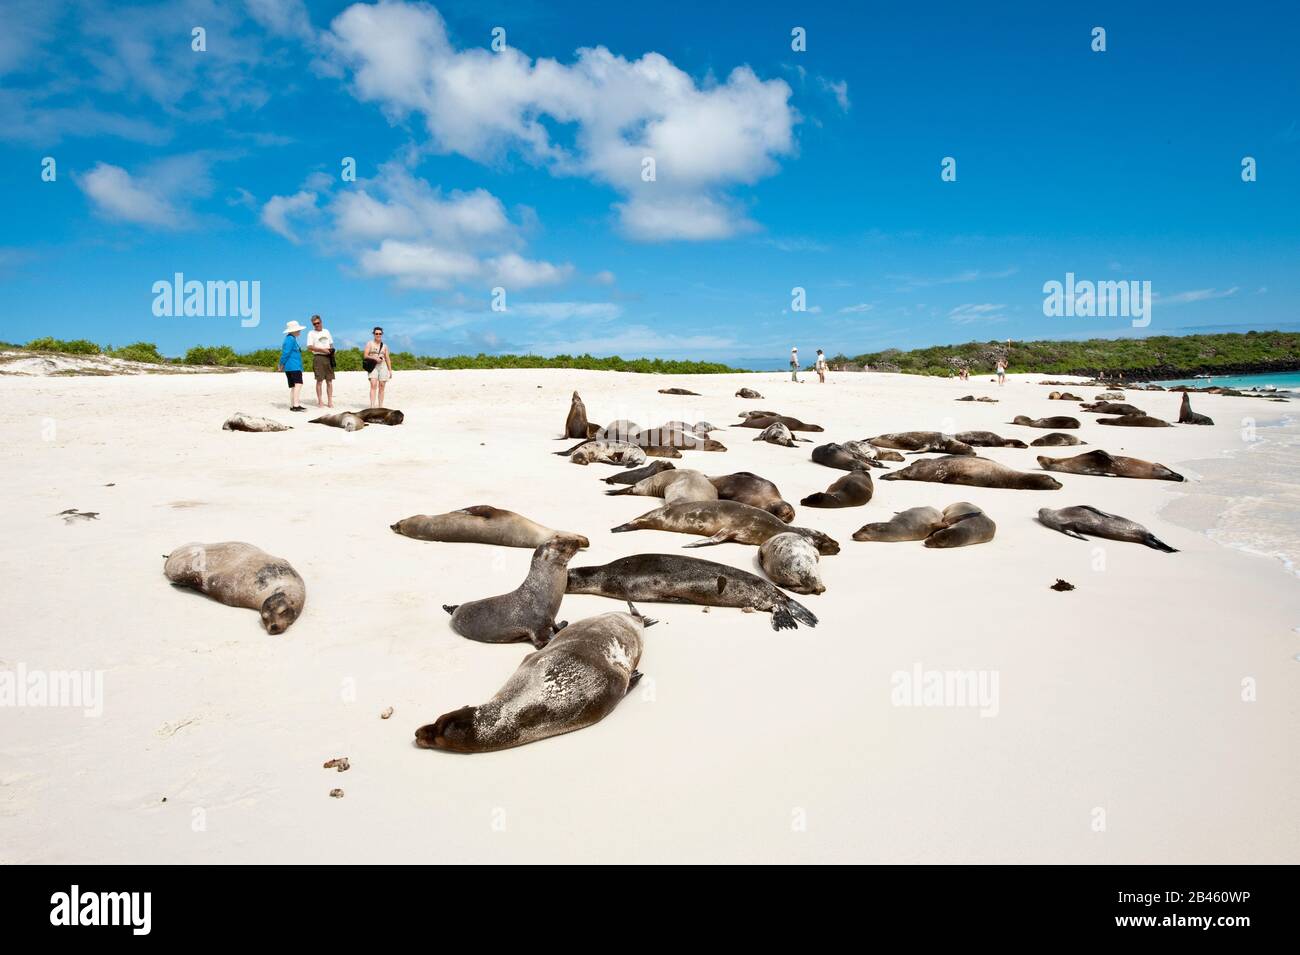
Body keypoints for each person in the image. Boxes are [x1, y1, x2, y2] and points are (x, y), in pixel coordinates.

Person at [306, 314, 335, 409]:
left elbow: (331, 344)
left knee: (329, 380)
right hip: (318, 357)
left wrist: (331, 351)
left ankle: (330, 400)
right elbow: (309, 347)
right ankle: (320, 400)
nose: (316, 325)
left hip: (328, 357)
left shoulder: (326, 331)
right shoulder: (311, 333)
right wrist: (323, 350)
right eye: (314, 324)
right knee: (319, 381)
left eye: (318, 323)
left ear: (321, 322)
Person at [277, 320, 306, 411]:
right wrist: (281, 364)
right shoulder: (290, 339)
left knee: (294, 386)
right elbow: (286, 353)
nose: (299, 331)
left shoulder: (291, 339)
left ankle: (294, 405)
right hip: (293, 367)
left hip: (292, 367)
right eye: (297, 330)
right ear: (292, 331)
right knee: (298, 384)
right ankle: (295, 405)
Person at [364, 326, 392, 408]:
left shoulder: (385, 346)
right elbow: (365, 355)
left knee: (382, 386)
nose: (378, 335)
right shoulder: (369, 343)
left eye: (380, 333)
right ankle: (372, 406)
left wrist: (390, 370)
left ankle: (380, 406)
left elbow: (387, 358)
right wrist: (375, 358)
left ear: (382, 334)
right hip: (373, 366)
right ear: (374, 334)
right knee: (373, 384)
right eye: (376, 333)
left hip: (383, 366)